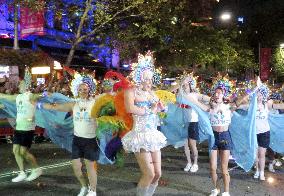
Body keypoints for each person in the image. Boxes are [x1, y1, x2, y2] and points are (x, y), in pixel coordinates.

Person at [183, 75, 247, 196]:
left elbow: (241, 100)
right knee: (212, 168)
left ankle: (226, 191)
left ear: (224, 95)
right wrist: (185, 85)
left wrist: (254, 89)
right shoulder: (209, 108)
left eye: (220, 93)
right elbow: (194, 101)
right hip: (213, 138)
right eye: (216, 93)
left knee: (223, 168)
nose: (217, 95)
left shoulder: (229, 107)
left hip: (225, 137)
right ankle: (216, 188)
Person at [41, 74, 98, 196]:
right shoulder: (73, 104)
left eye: (85, 89)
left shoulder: (95, 103)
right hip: (77, 140)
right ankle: (84, 186)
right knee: (76, 167)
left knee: (90, 167)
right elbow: (54, 107)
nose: (83, 91)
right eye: (80, 89)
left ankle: (93, 190)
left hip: (90, 140)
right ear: (77, 90)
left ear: (90, 89)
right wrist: (39, 105)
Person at [122, 52, 167, 196]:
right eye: (145, 78)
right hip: (140, 135)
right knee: (149, 174)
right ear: (139, 77)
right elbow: (130, 108)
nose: (149, 81)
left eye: (150, 78)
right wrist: (151, 110)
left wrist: (161, 108)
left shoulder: (153, 93)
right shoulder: (131, 91)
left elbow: (159, 111)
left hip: (153, 135)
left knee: (158, 174)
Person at [11, 69, 42, 183]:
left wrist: (44, 94)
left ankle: (36, 169)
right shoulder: (18, 97)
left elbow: (38, 96)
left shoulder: (30, 96)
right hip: (19, 128)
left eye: (21, 83)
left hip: (28, 128)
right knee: (15, 150)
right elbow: (6, 97)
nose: (19, 84)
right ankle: (22, 172)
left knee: (23, 152)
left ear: (26, 85)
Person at [178, 74, 210, 173]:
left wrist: (210, 101)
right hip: (184, 123)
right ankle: (189, 162)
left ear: (191, 85)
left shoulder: (195, 95)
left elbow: (208, 99)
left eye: (187, 83)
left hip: (193, 122)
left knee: (192, 145)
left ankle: (195, 163)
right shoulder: (180, 95)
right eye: (183, 84)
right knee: (185, 144)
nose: (185, 85)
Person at [252, 84, 284, 181]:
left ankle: (262, 173)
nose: (259, 95)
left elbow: (280, 105)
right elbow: (237, 105)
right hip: (254, 133)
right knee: (256, 154)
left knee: (262, 154)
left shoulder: (267, 105)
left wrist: (274, 103)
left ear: (264, 95)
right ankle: (257, 170)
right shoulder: (251, 105)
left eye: (261, 93)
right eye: (257, 93)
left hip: (264, 133)